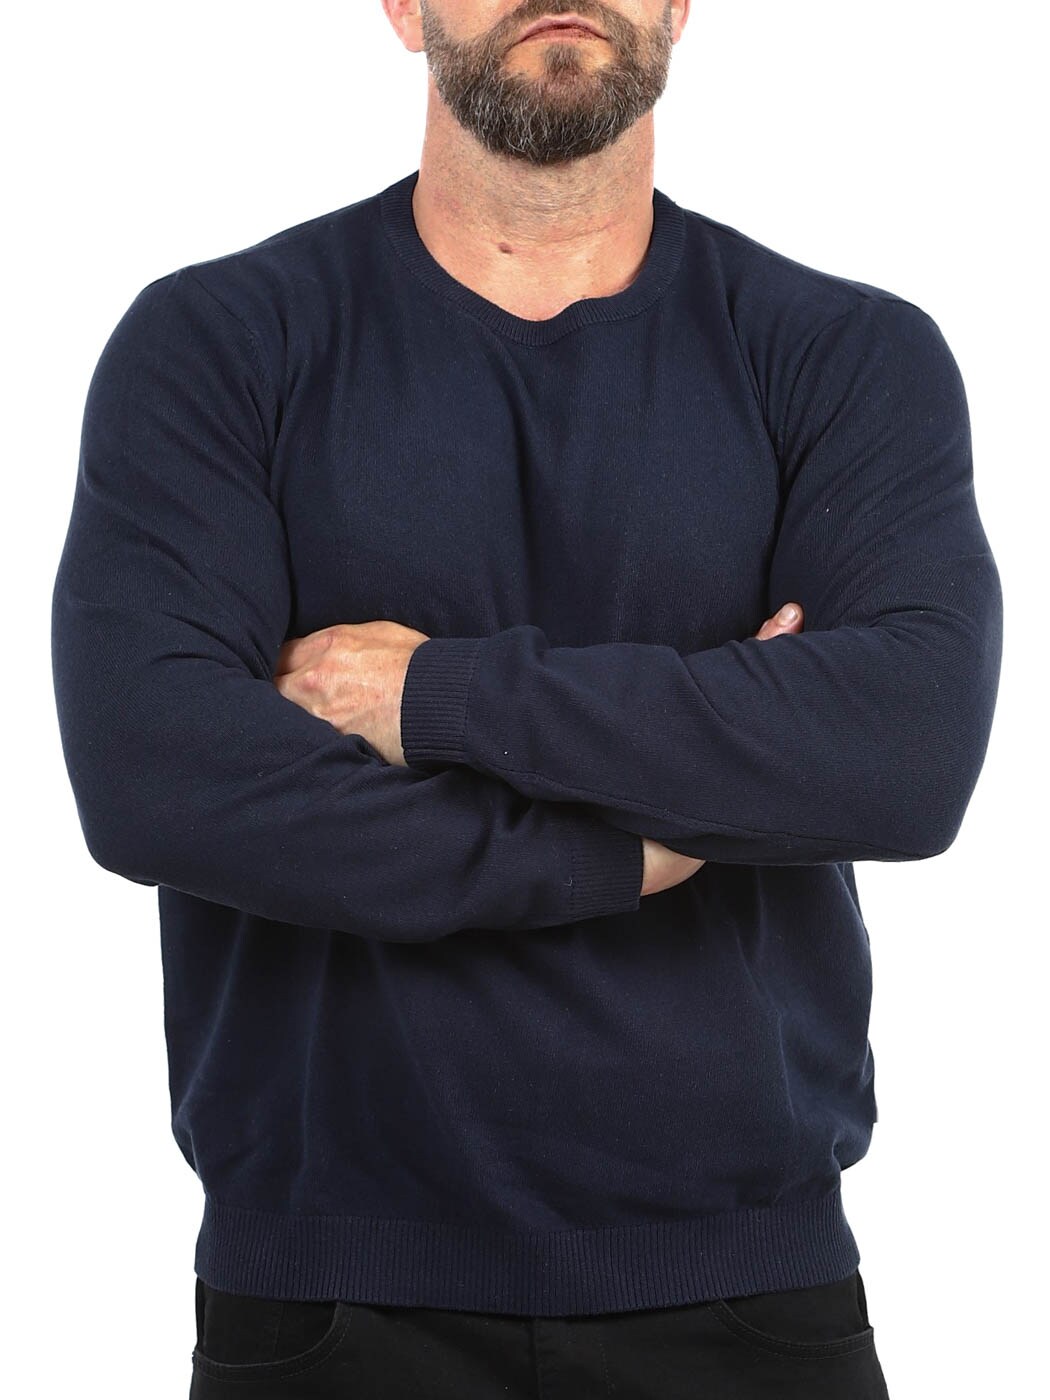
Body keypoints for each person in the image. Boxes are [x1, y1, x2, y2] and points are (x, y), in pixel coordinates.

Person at [50, 2, 1002, 1396]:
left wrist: (434, 695)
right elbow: (156, 776)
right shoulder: (219, 342)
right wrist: (622, 846)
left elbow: (903, 749)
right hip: (325, 1297)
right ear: (401, 5)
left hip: (747, 1295)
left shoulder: (844, 353)